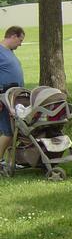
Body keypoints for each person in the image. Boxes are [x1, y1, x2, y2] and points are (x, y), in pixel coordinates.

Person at [0, 26, 25, 164]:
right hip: (4, 97)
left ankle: (11, 162)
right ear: (13, 36)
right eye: (20, 40)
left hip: (13, 97)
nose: (20, 44)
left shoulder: (9, 51)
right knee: (8, 132)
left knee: (13, 132)